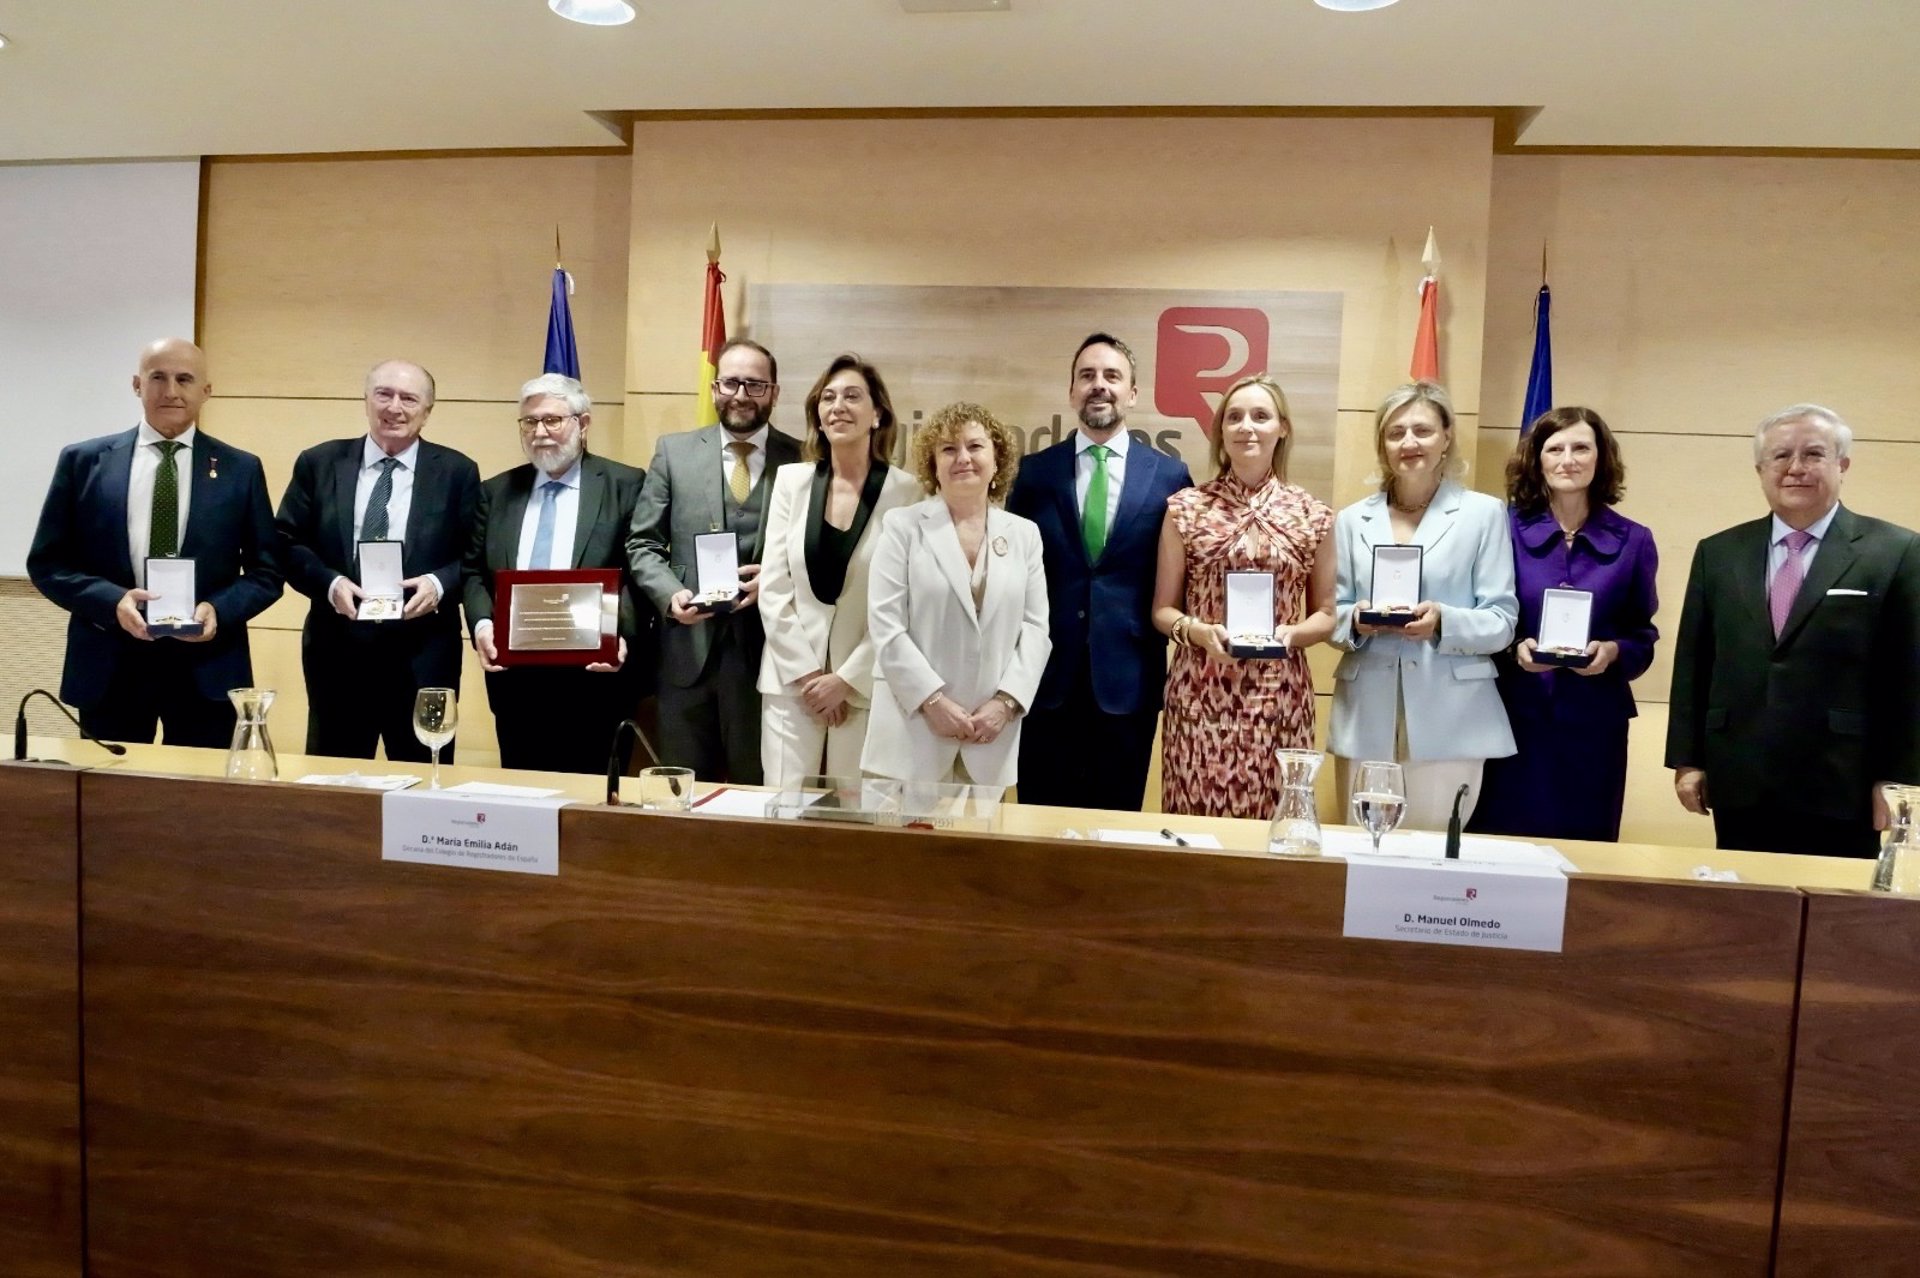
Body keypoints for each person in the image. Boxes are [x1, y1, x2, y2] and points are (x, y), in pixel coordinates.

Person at [1667, 403, 1920, 857]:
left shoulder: (1897, 551)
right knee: (1746, 896)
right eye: (1781, 456)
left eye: (1813, 454)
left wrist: (1898, 778)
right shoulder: (1718, 553)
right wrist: (1687, 760)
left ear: (1842, 465)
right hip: (1739, 774)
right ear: (1760, 470)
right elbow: (1694, 662)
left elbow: (1910, 675)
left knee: (1834, 901)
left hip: (1844, 779)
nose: (1795, 468)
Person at [27, 338, 282, 747]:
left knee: (198, 788)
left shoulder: (241, 469)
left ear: (206, 390)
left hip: (207, 665)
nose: (171, 391)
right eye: (158, 378)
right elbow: (48, 564)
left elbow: (267, 572)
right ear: (137, 385)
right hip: (110, 661)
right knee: (109, 787)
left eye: (185, 379)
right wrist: (112, 602)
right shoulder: (83, 462)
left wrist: (218, 610)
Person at [1006, 332, 1193, 811]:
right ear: (1071, 391)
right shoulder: (1033, 474)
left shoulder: (1170, 477)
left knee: (1116, 829)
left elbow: (1184, 579)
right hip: (1046, 682)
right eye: (1087, 375)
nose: (1099, 385)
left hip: (1128, 686)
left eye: (1112, 375)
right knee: (1039, 829)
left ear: (1132, 393)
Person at [1329, 381, 1517, 830]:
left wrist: (1442, 621)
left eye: (1422, 430)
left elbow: (1501, 620)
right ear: (1382, 444)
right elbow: (1330, 613)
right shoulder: (1351, 519)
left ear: (1446, 437)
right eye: (1395, 433)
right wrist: (1354, 620)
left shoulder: (1483, 514)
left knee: (1435, 851)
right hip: (1367, 711)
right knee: (1364, 845)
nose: (1409, 442)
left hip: (1452, 713)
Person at [275, 359, 481, 761]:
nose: (394, 407)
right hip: (338, 651)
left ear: (427, 411)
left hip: (424, 654)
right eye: (384, 394)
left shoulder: (458, 472)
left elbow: (475, 555)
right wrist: (330, 584)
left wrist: (438, 584)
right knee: (335, 780)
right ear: (366, 400)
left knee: (424, 775)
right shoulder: (319, 463)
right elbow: (285, 541)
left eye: (409, 398)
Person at [1471, 407, 1659, 842]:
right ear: (1536, 459)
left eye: (1581, 448)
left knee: (1582, 849)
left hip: (1593, 726)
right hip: (1512, 715)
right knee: (1500, 844)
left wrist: (1613, 652)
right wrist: (1514, 648)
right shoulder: (1503, 528)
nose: (1568, 460)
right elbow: (1482, 613)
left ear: (1601, 457)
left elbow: (1642, 635)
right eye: (1555, 449)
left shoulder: (1634, 540)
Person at [1151, 374, 1334, 819]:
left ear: (1282, 428)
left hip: (1280, 697)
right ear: (1220, 431)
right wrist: (1196, 631)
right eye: (1234, 417)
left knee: (1276, 829)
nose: (1246, 427)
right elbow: (1163, 610)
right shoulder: (1185, 509)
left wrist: (1293, 635)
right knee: (1194, 826)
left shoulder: (1313, 515)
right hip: (1200, 694)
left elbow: (1327, 614)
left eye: (1260, 416)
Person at [626, 337, 801, 784]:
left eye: (755, 385)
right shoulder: (673, 452)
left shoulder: (804, 459)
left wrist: (777, 579)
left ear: (774, 392)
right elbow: (642, 543)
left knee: (758, 794)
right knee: (681, 793)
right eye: (730, 383)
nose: (741, 395)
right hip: (685, 655)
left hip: (769, 656)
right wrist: (670, 596)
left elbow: (818, 556)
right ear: (714, 388)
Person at [461, 374, 653, 775]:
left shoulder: (625, 484)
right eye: (529, 422)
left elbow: (638, 572)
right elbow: (474, 571)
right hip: (516, 684)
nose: (540, 432)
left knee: (594, 801)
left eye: (552, 420)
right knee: (523, 795)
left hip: (596, 681)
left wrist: (621, 634)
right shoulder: (496, 492)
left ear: (583, 424)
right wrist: (482, 624)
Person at [862, 402, 1050, 789]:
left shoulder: (1024, 535)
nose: (963, 457)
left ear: (997, 460)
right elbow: (885, 625)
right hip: (910, 732)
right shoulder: (902, 527)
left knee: (979, 834)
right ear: (934, 465)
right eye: (948, 449)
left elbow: (1035, 629)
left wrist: (1006, 703)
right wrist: (931, 700)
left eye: (975, 446)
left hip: (989, 735)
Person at [755, 354, 921, 784]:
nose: (838, 406)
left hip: (865, 687)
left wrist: (846, 680)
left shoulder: (907, 492)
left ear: (877, 414)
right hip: (792, 682)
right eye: (828, 398)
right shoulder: (791, 481)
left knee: (858, 812)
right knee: (783, 808)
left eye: (852, 396)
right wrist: (810, 676)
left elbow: (903, 603)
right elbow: (773, 588)